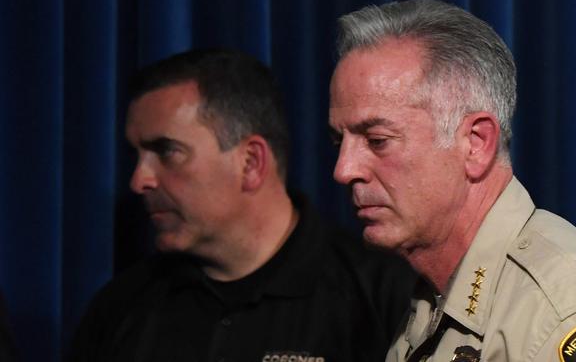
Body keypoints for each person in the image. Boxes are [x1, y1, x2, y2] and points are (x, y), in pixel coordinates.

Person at [328, 0, 576, 361]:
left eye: (377, 141)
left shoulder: (567, 315)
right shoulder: (433, 299)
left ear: (476, 144)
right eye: (340, 141)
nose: (344, 169)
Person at [69, 48, 414, 362]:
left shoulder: (386, 297)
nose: (139, 180)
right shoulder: (120, 309)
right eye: (138, 155)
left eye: (166, 151)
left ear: (250, 162)